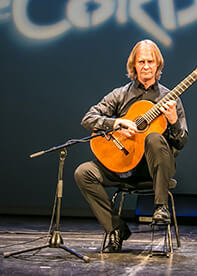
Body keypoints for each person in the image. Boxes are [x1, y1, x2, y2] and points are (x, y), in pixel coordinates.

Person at [74, 39, 188, 253]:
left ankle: (161, 207)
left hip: (152, 171)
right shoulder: (120, 94)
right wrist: (116, 123)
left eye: (150, 62)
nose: (146, 66)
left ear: (158, 65)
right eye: (141, 61)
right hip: (123, 164)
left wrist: (172, 122)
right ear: (133, 66)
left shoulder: (170, 98)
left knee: (153, 138)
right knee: (83, 173)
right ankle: (116, 229)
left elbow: (181, 141)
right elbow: (88, 118)